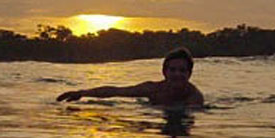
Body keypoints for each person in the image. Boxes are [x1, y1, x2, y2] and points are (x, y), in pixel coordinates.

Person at [56, 47, 205, 107]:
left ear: (189, 74)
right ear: (164, 72)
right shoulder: (152, 89)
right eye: (173, 70)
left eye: (182, 70)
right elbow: (116, 91)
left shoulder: (194, 97)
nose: (177, 74)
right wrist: (82, 93)